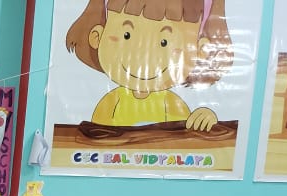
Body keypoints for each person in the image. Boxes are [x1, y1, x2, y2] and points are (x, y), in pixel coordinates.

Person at [66, 0, 233, 130]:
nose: (142, 54)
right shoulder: (112, 103)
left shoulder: (172, 104)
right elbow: (96, 136)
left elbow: (187, 135)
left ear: (200, 50)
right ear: (97, 37)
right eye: (126, 35)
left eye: (164, 42)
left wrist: (203, 119)